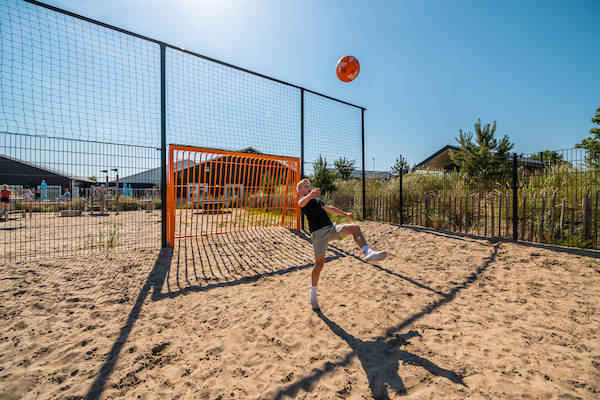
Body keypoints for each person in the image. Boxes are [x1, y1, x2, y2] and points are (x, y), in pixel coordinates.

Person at [297, 178, 387, 311]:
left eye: (309, 185)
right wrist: (309, 195)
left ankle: (368, 253)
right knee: (319, 264)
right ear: (300, 191)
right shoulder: (304, 200)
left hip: (331, 229)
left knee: (355, 227)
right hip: (318, 235)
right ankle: (313, 293)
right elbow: (300, 203)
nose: (308, 187)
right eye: (305, 186)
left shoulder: (316, 200)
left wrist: (345, 214)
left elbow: (329, 208)